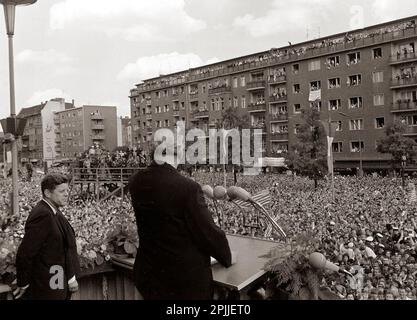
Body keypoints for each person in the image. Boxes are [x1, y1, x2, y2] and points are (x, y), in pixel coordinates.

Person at [128, 144, 232, 300]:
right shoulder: (187, 187)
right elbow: (206, 231)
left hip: (149, 274)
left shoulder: (136, 181)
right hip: (182, 281)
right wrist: (226, 256)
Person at [14, 173, 80, 300]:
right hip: (47, 287)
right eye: (62, 191)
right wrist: (23, 283)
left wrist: (71, 277)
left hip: (56, 284)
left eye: (67, 190)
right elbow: (25, 253)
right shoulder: (42, 215)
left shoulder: (52, 210)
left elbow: (63, 245)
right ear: (48, 193)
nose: (67, 194)